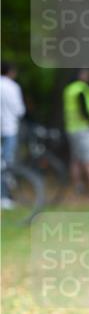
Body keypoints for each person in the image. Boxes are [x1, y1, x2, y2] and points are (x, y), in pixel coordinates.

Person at [62, 68, 89, 195]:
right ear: (81, 75)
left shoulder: (69, 89)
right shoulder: (82, 89)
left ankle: (78, 186)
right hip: (84, 128)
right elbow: (85, 109)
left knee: (76, 159)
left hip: (71, 128)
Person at [0, 62, 26, 208]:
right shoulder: (12, 87)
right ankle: (4, 196)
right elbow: (19, 110)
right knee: (7, 163)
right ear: (11, 72)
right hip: (9, 128)